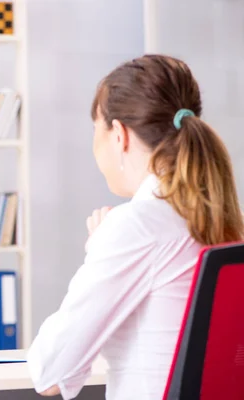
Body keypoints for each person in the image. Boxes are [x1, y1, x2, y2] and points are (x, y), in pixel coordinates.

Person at [26, 54, 244, 399]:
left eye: (96, 127)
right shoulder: (219, 218)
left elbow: (50, 372)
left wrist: (99, 249)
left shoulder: (137, 225)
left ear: (119, 135)